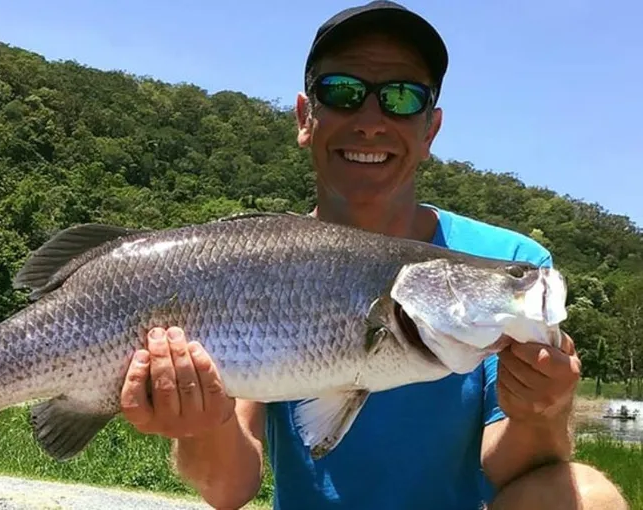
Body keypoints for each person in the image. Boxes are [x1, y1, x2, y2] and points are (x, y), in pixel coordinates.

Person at [118, 2, 630, 509]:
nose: (369, 120)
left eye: (402, 98)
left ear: (430, 129)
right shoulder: (261, 263)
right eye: (341, 92)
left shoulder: (512, 257)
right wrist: (202, 425)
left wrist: (541, 412)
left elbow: (515, 473)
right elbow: (231, 488)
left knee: (590, 497)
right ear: (304, 118)